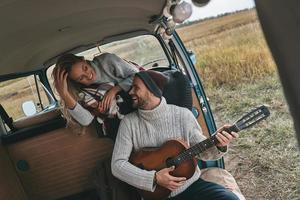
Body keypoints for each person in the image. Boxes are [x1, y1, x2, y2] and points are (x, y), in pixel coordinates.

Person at [111, 70, 240, 200]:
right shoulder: (128, 123)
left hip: (192, 187)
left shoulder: (183, 115)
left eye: (136, 87)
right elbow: (117, 165)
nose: (130, 92)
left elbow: (204, 153)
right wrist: (154, 178)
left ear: (152, 89)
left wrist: (219, 144)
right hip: (156, 195)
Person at [52, 52, 139, 137]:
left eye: (85, 68)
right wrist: (64, 94)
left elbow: (139, 75)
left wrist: (114, 90)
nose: (88, 76)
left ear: (84, 60)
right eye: (81, 78)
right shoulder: (82, 92)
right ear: (75, 81)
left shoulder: (107, 61)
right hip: (124, 122)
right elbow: (86, 120)